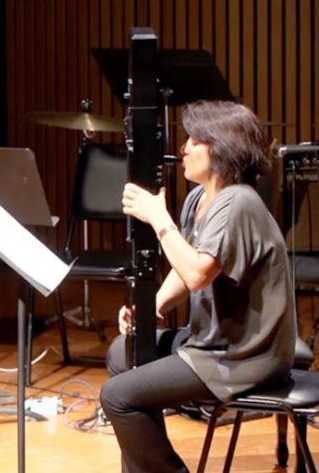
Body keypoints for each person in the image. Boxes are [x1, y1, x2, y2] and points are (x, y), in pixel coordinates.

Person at [100, 100, 297, 473]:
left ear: (221, 148)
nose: (184, 148)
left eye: (195, 140)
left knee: (118, 396)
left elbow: (197, 274)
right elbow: (186, 263)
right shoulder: (199, 199)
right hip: (213, 344)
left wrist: (159, 219)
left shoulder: (238, 202)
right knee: (122, 353)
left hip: (245, 356)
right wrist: (151, 307)